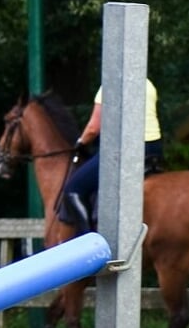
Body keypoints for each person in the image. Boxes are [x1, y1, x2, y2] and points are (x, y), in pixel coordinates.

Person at [57, 77, 164, 234]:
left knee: (74, 188)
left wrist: (80, 143)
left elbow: (93, 128)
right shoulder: (148, 84)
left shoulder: (110, 85)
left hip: (126, 150)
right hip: (154, 149)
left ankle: (87, 242)